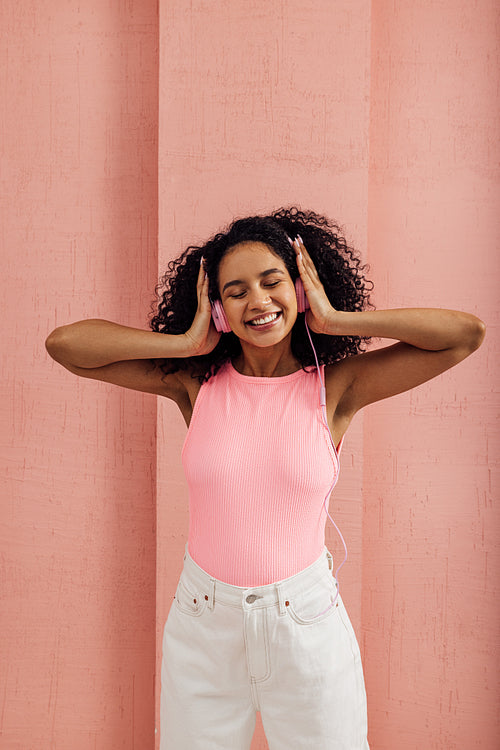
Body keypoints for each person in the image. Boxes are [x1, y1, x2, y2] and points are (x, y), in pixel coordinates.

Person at [45, 207, 485, 749]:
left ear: (300, 291)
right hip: (204, 627)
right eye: (235, 291)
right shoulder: (194, 383)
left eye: (273, 282)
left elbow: (464, 335)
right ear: (219, 310)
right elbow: (66, 345)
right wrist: (186, 343)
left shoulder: (337, 386)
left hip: (305, 624)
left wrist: (336, 319)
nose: (257, 300)